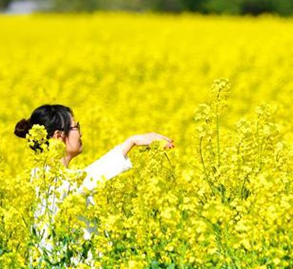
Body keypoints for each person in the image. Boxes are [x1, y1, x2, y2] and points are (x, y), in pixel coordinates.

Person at [14, 104, 174, 255]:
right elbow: (84, 182)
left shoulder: (55, 176)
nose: (81, 133)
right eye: (76, 127)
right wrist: (130, 143)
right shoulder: (45, 177)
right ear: (58, 136)